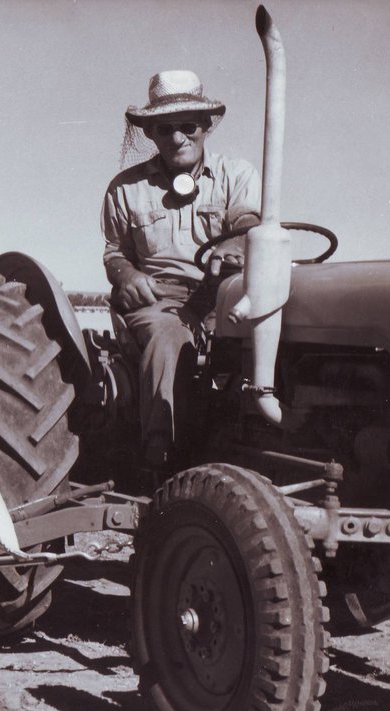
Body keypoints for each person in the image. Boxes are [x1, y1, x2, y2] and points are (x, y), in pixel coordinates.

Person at [101, 70, 262, 467]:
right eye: (164, 128)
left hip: (225, 294)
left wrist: (233, 243)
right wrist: (128, 276)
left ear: (205, 126)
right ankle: (160, 456)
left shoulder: (236, 175)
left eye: (187, 126)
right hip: (159, 298)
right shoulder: (125, 188)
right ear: (151, 134)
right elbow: (114, 253)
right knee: (168, 337)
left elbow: (248, 222)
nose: (177, 138)